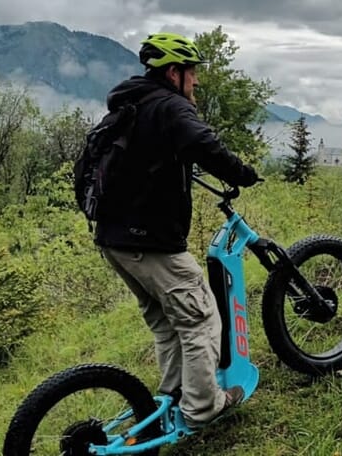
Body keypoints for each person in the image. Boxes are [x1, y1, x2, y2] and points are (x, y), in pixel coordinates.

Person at [94, 32, 259, 429]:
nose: (197, 82)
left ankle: (173, 395)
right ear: (174, 72)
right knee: (202, 318)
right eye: (192, 73)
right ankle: (203, 408)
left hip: (112, 238)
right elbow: (204, 144)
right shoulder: (171, 106)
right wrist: (242, 173)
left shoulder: (130, 105)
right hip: (150, 241)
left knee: (168, 322)